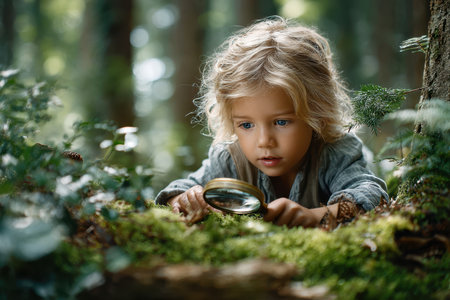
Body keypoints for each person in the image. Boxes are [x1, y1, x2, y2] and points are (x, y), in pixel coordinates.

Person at [155, 16, 388, 228]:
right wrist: (185, 198)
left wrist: (315, 216)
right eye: (246, 125)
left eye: (281, 122)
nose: (264, 141)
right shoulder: (231, 159)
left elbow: (371, 196)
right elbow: (179, 190)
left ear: (317, 114)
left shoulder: (335, 151)